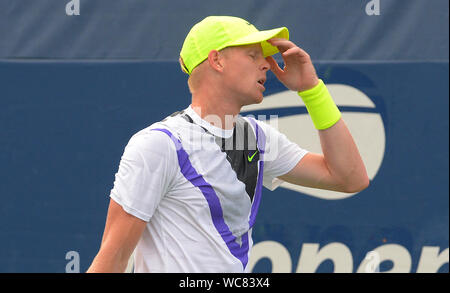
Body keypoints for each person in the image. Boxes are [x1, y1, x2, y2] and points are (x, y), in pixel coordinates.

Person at [87, 16, 369, 273]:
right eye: (252, 55)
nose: (266, 65)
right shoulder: (159, 145)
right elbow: (112, 259)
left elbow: (349, 178)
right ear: (217, 61)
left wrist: (312, 91)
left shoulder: (256, 136)